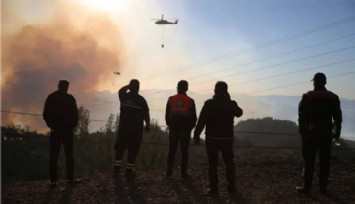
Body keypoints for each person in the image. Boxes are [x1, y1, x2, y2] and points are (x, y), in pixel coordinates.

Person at [193, 81, 243, 196]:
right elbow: (239, 113)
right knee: (229, 163)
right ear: (226, 90)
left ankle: (214, 190)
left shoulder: (209, 104)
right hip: (227, 138)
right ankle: (232, 189)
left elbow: (201, 121)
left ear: (215, 90)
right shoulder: (230, 103)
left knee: (212, 164)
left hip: (212, 138)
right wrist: (230, 100)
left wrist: (196, 135)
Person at [297, 72, 342, 195]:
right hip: (326, 134)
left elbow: (301, 116)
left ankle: (307, 187)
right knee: (325, 161)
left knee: (309, 161)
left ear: (314, 82)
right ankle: (323, 188)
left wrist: (303, 132)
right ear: (325, 82)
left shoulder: (307, 97)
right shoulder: (333, 97)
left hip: (310, 135)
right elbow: (338, 118)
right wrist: (336, 134)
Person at [43, 80, 79, 186]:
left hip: (56, 131)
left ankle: (53, 181)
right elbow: (75, 116)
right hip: (67, 131)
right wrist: (71, 126)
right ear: (67, 87)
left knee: (54, 156)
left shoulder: (51, 98)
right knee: (69, 155)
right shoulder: (70, 99)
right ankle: (70, 179)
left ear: (58, 86)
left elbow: (45, 115)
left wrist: (52, 126)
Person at [114, 79, 150, 178]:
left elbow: (121, 90)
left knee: (120, 148)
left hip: (123, 128)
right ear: (138, 88)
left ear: (130, 87)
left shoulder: (124, 97)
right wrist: (148, 124)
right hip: (136, 130)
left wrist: (128, 86)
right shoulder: (141, 100)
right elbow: (146, 113)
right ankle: (128, 171)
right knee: (133, 149)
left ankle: (116, 170)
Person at [165, 80, 197, 178]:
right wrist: (189, 128)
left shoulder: (171, 99)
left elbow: (167, 115)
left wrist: (170, 125)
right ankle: (183, 173)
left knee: (171, 151)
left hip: (174, 129)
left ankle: (169, 172)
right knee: (184, 152)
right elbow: (194, 118)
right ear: (187, 88)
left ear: (177, 87)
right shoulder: (190, 101)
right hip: (185, 130)